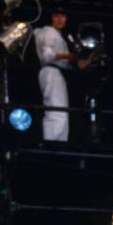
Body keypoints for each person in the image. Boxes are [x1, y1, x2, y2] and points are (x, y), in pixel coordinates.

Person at [34, 8, 82, 142]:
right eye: (56, 15)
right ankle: (52, 144)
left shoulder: (60, 35)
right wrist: (70, 56)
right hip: (51, 71)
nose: (60, 19)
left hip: (57, 72)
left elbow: (69, 63)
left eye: (63, 16)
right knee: (56, 111)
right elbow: (47, 56)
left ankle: (59, 144)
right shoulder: (49, 31)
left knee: (61, 112)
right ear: (51, 17)